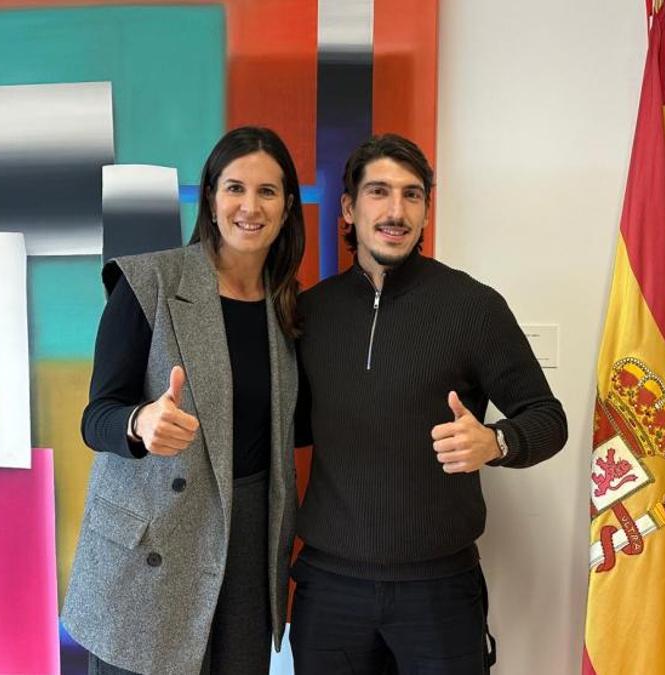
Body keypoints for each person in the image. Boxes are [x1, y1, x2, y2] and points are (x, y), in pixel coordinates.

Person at [289, 133, 568, 674]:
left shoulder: (474, 307)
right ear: (348, 208)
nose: (396, 210)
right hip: (330, 590)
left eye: (412, 195)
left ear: (425, 211)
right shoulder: (308, 313)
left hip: (438, 590)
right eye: (379, 193)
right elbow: (289, 428)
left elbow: (547, 418)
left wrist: (496, 441)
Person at [62, 126, 305, 675]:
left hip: (248, 541)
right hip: (156, 545)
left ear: (288, 206)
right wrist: (140, 421)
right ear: (212, 199)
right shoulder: (150, 280)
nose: (250, 206)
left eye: (267, 192)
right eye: (235, 188)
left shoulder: (287, 309)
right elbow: (96, 417)